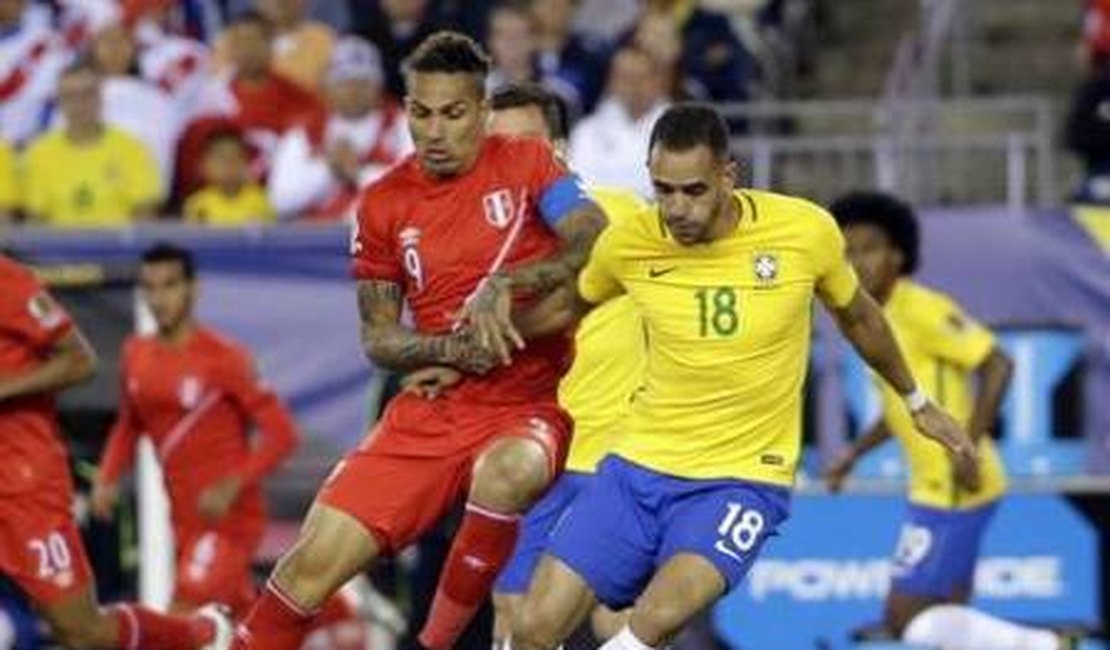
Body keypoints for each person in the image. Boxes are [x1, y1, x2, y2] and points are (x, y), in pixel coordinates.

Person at [507, 103, 976, 650]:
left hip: (741, 479)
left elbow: (859, 317)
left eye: (693, 190)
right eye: (663, 190)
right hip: (635, 470)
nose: (676, 208)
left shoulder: (803, 231)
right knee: (533, 628)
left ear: (729, 176)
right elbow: (563, 311)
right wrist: (471, 341)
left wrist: (917, 402)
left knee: (652, 621)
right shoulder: (630, 242)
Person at [228, 30, 607, 650]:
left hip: (523, 407)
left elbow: (592, 233)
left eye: (453, 114)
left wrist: (509, 284)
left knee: (507, 475)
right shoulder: (381, 203)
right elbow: (378, 337)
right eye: (421, 113)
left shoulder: (529, 163)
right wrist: (451, 352)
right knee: (303, 571)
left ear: (482, 113)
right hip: (430, 415)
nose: (434, 131)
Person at [826, 192, 1076, 650]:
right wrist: (852, 454)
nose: (858, 261)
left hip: (952, 484)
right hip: (939, 482)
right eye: (848, 251)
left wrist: (971, 445)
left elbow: (999, 363)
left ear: (897, 255)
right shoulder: (873, 318)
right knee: (950, 615)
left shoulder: (922, 308)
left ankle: (1048, 645)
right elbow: (904, 407)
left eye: (870, 248)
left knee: (902, 618)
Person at [465, 83, 646, 646]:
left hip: (615, 456)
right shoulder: (475, 243)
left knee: (616, 614)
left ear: (560, 150)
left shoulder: (627, 219)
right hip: (529, 460)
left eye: (525, 144)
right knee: (512, 614)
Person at [0, 252, 232, 649]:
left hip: (21, 482)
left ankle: (200, 635)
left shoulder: (8, 281)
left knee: (80, 631)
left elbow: (78, 360)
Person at [91, 243, 299, 616]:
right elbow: (129, 422)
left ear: (194, 288)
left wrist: (232, 484)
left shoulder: (224, 357)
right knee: (236, 622)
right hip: (183, 518)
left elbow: (282, 434)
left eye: (169, 285)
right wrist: (106, 477)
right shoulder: (135, 353)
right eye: (150, 288)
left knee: (181, 614)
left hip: (229, 519)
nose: (159, 299)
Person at [22, 60, 163, 227]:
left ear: (101, 97)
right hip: (56, 251)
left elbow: (145, 213)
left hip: (120, 251)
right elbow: (35, 219)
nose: (80, 104)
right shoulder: (39, 153)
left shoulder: (132, 149)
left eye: (87, 94)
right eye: (70, 96)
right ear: (59, 102)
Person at [184, 129, 276, 226]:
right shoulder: (197, 204)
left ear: (247, 162)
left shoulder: (264, 201)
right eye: (221, 158)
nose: (229, 165)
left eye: (236, 158)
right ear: (205, 165)